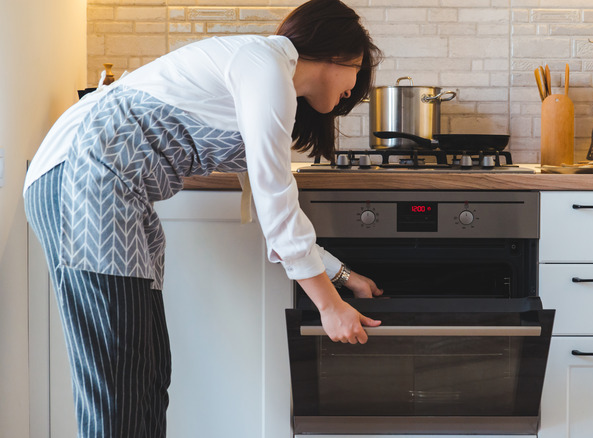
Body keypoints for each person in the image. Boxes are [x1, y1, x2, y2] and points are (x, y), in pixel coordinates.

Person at [23, 0, 383, 436]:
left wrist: (341, 276)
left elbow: (274, 214)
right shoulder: (265, 66)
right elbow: (276, 203)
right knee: (119, 385)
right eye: (358, 69)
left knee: (148, 378)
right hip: (84, 182)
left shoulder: (266, 78)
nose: (355, 86)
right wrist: (329, 305)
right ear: (336, 53)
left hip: (109, 194)